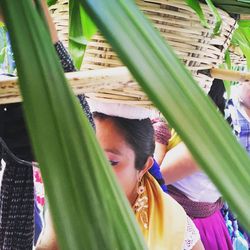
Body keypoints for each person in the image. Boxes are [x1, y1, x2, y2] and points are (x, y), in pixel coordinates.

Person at [36, 100, 204, 250]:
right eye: (85, 157)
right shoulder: (67, 210)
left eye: (110, 162)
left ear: (144, 167)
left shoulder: (172, 223)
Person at [153, 80, 234, 250]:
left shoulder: (207, 132)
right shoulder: (199, 120)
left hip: (192, 229)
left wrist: (160, 132)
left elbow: (153, 179)